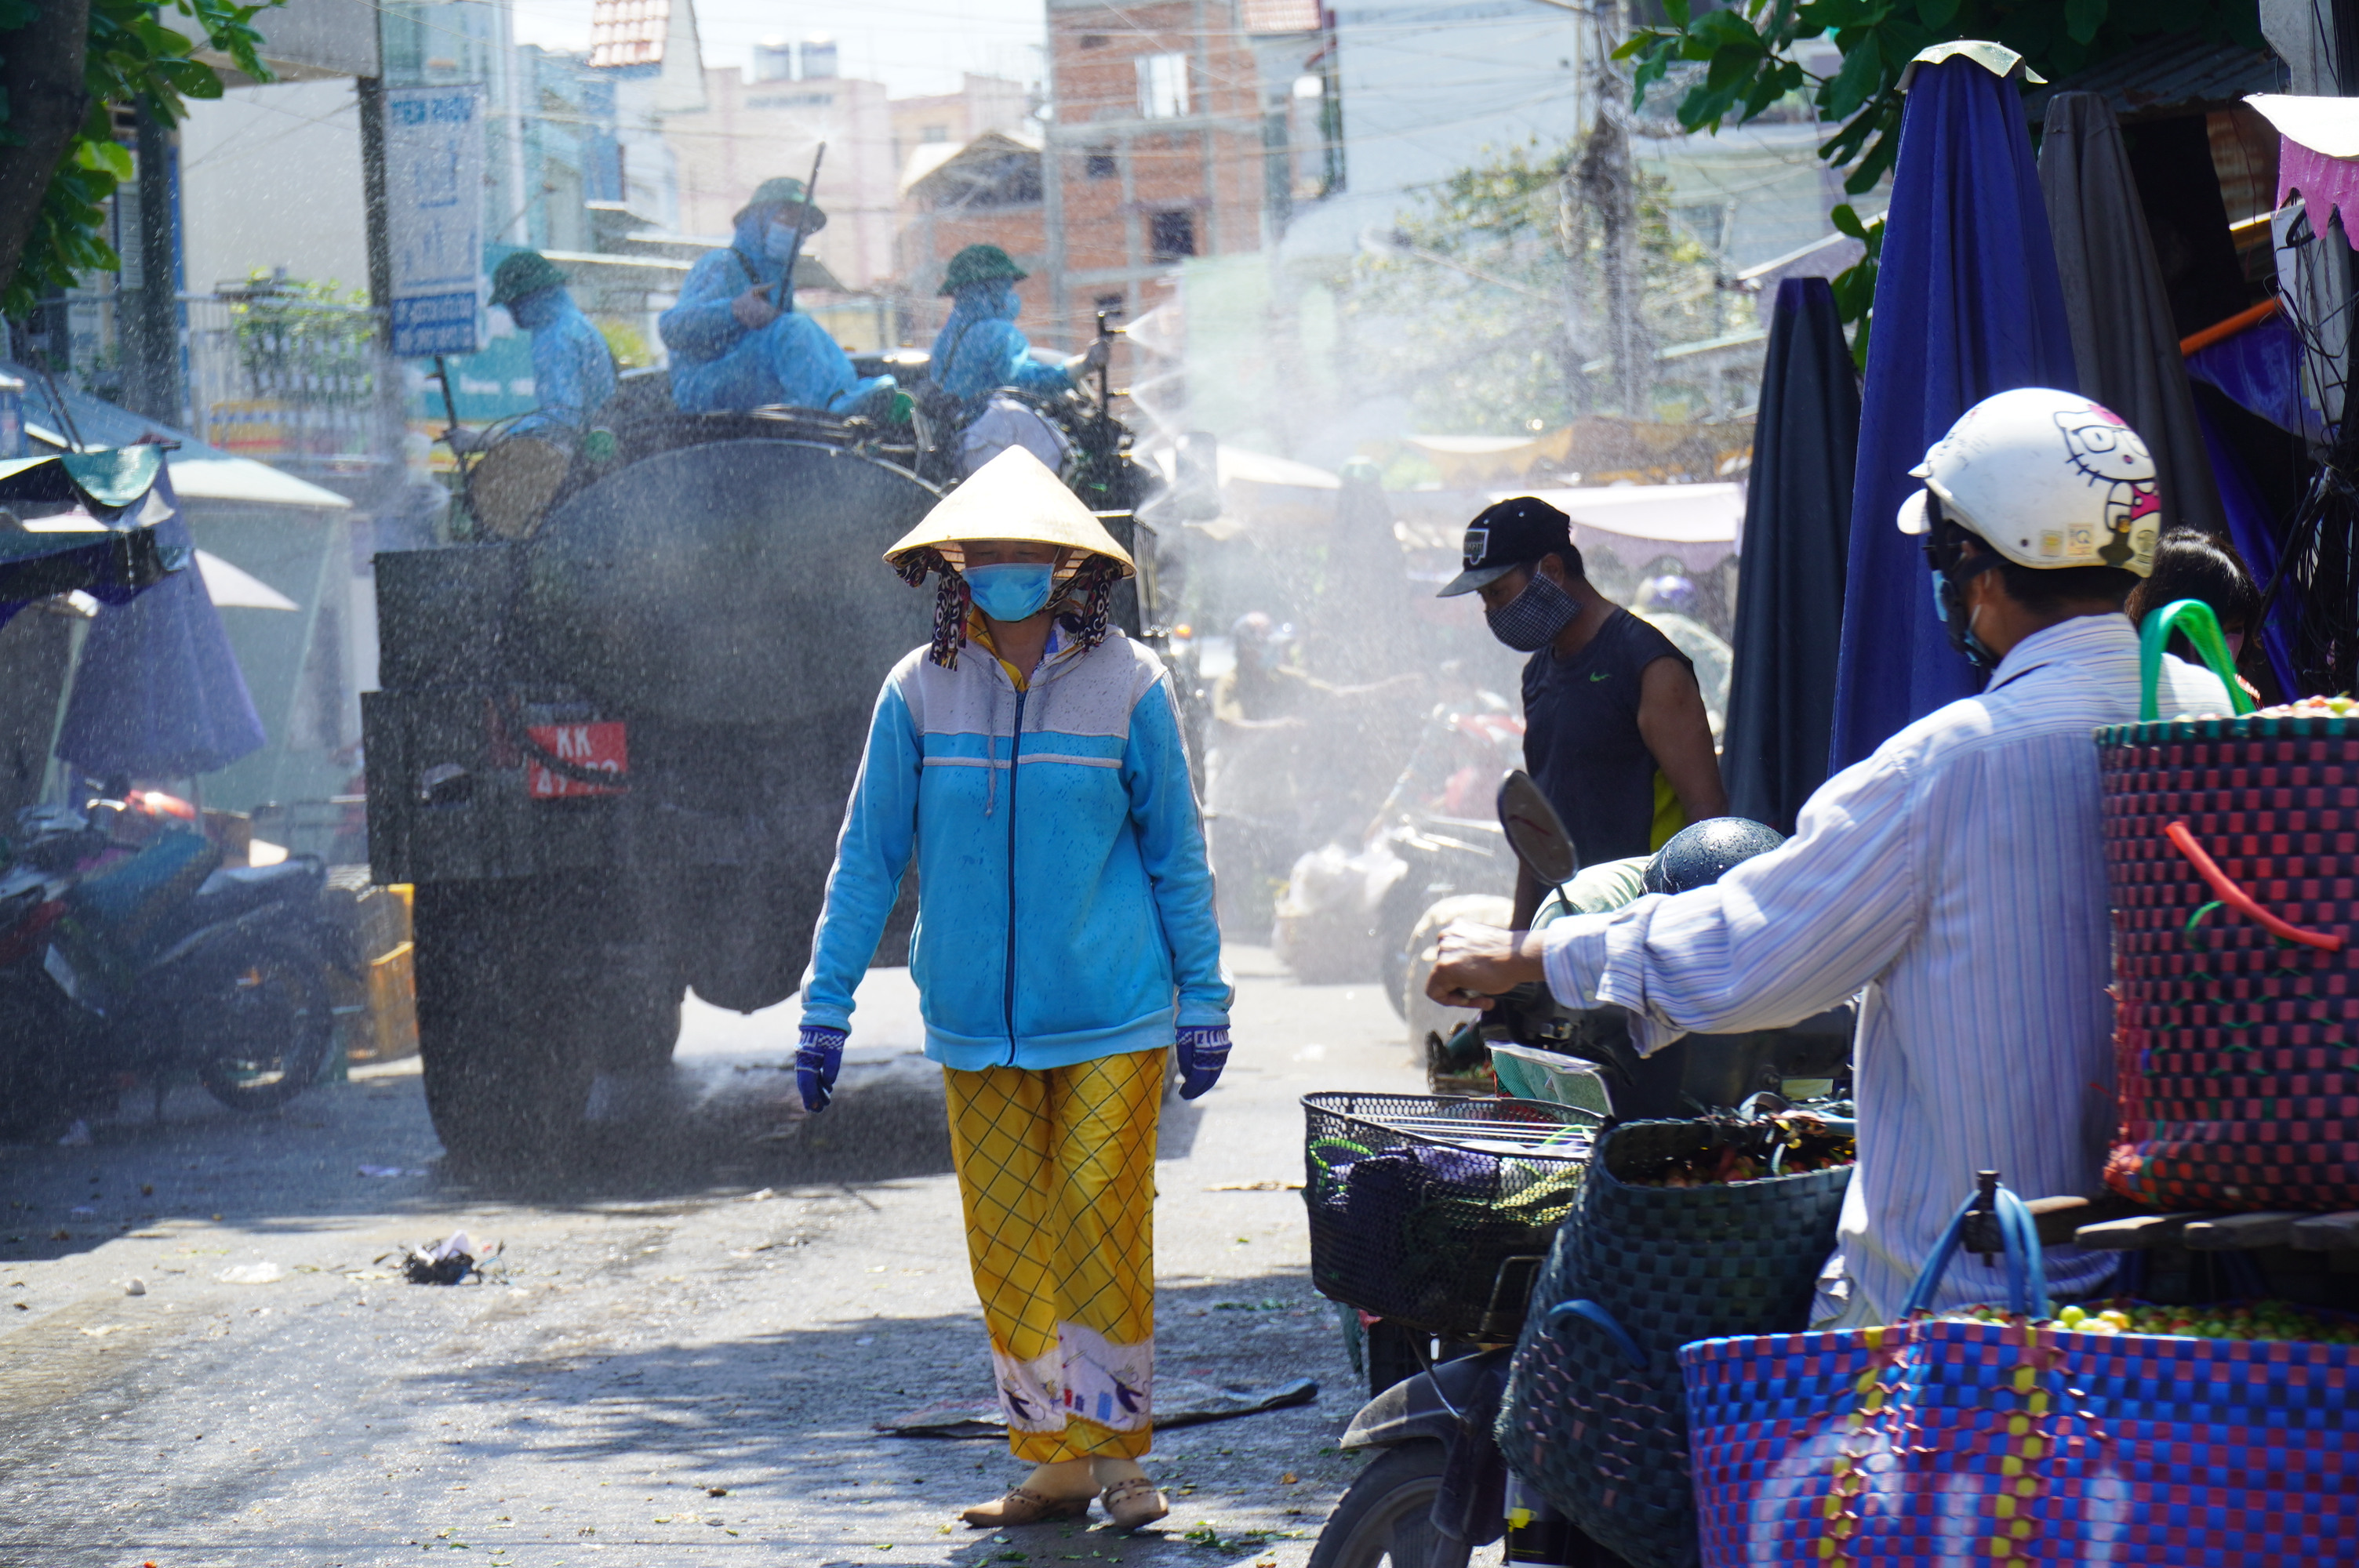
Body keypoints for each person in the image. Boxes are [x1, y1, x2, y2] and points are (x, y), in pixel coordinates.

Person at [1425, 388, 2234, 1326]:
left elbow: (1745, 948)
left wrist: (1530, 954)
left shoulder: (1939, 766)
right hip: (2186, 1274)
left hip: (1959, 1301)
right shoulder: (2224, 717)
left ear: (1966, 561)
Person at [794, 446, 1230, 1532]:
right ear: (957, 567)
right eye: (986, 551)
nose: (1006, 565)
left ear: (1068, 563)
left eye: (1026, 550)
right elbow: (867, 856)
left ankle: (1120, 1453)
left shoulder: (1131, 683)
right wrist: (825, 1001)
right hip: (973, 1022)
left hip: (1114, 1013)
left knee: (1095, 1214)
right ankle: (1052, 1461)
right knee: (1007, 1239)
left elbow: (1176, 849)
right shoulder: (919, 688)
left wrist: (1206, 993)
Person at [1438, 495, 1727, 927]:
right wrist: (1521, 943)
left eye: (1498, 593)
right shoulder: (1537, 674)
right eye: (1484, 599)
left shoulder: (1648, 667)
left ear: (1551, 571)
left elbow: (1710, 823)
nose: (1491, 612)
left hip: (1640, 929)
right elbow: (1540, 826)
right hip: (1568, 931)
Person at [658, 176, 895, 416]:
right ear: (758, 218)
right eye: (789, 218)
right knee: (793, 329)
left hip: (747, 390)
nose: (799, 231)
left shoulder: (780, 281)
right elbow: (671, 329)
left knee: (806, 331)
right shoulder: (721, 264)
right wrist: (734, 310)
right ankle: (836, 404)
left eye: (804, 226)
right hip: (701, 390)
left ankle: (841, 399)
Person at [927, 245, 1108, 475]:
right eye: (1006, 287)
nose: (1011, 296)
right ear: (988, 289)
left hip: (958, 450)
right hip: (996, 443)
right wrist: (1082, 366)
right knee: (1070, 467)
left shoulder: (945, 339)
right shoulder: (997, 333)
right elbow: (1024, 382)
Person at [446, 251, 616, 449]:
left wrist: (490, 438)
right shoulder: (575, 324)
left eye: (512, 302)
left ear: (528, 296)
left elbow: (561, 417)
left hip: (582, 452)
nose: (510, 311)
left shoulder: (556, 338)